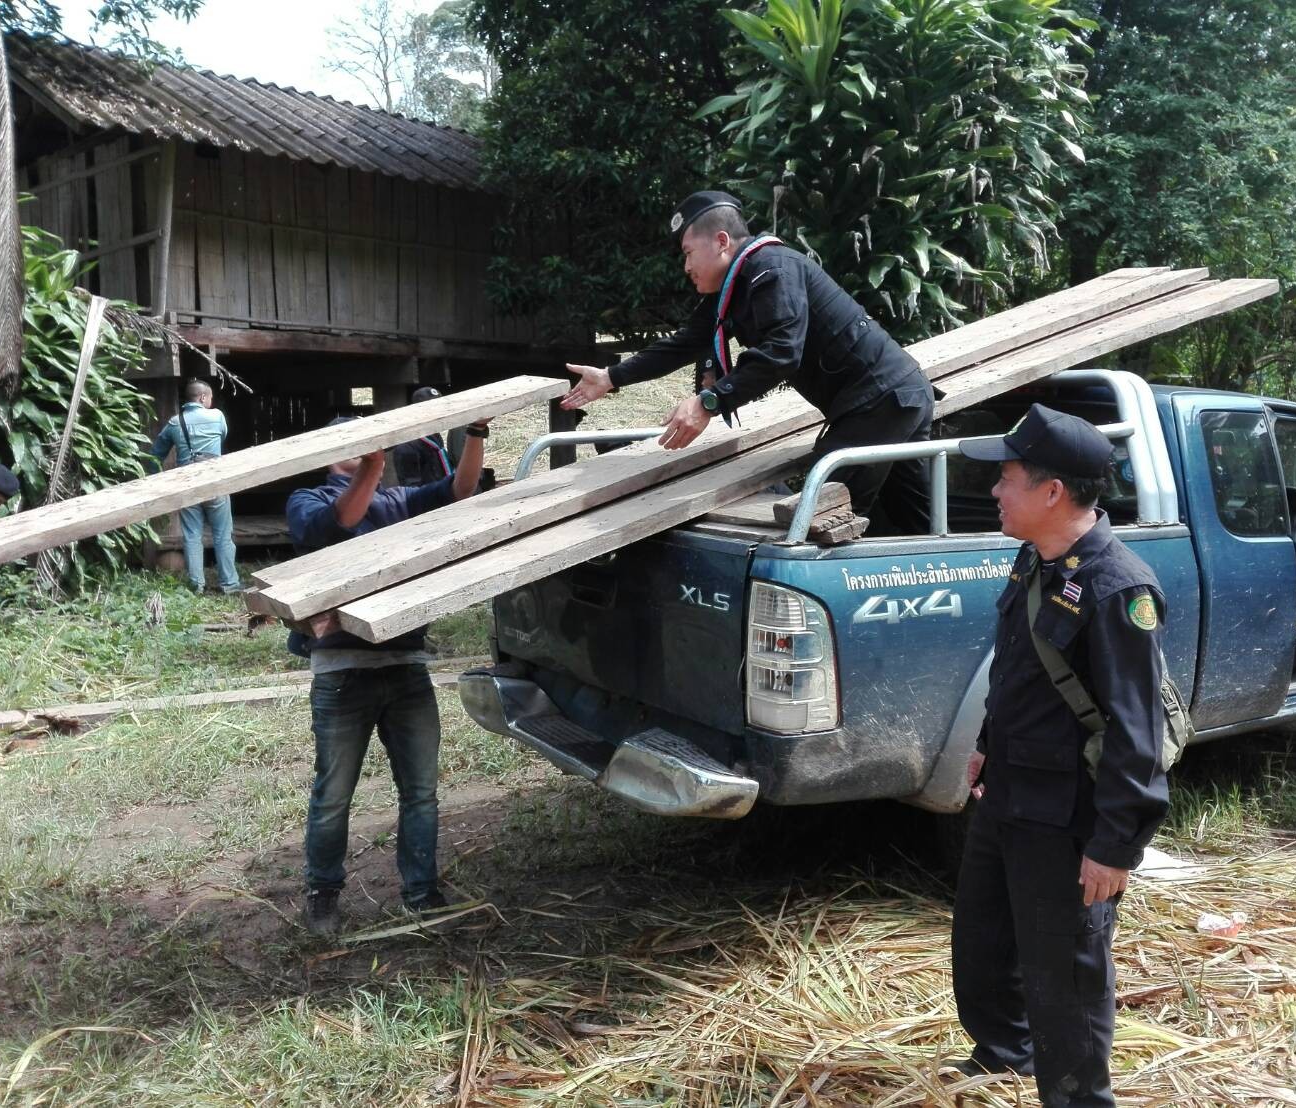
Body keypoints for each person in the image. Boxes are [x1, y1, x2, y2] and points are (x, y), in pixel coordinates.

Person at [948, 404, 1170, 1107]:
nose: (994, 491)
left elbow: (1137, 732)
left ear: (1051, 492)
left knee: (1065, 976)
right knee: (982, 946)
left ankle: (1077, 1099)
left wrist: (1115, 846)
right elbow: (1019, 669)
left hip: (1067, 817)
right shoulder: (1035, 561)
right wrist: (986, 747)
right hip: (1008, 796)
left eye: (1006, 478)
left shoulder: (1118, 588)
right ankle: (1002, 1056)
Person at [560, 190, 934, 535]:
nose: (685, 265)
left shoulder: (772, 269)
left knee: (816, 519)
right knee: (916, 526)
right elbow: (684, 343)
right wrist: (611, 376)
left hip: (879, 402)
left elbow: (782, 354)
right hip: (895, 398)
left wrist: (710, 402)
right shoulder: (736, 285)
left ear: (721, 241)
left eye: (688, 252)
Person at [285, 413, 492, 936]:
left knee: (421, 792)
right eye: (354, 442)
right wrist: (373, 464)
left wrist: (475, 432)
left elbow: (461, 489)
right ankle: (323, 894)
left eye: (372, 443)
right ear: (331, 452)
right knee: (334, 794)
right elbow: (343, 520)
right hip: (342, 672)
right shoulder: (307, 501)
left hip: (405, 669)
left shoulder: (401, 501)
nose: (366, 449)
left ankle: (422, 894)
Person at [147, 380, 241, 593]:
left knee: (192, 535)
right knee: (223, 535)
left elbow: (156, 455)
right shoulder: (217, 416)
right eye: (210, 398)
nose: (211, 401)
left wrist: (153, 480)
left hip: (188, 484)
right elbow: (222, 435)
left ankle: (196, 585)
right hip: (215, 482)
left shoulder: (175, 422)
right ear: (202, 398)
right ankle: (230, 584)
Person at [392, 386, 455, 487]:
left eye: (440, 407)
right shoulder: (406, 446)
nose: (439, 412)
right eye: (432, 409)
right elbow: (412, 488)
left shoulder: (435, 436)